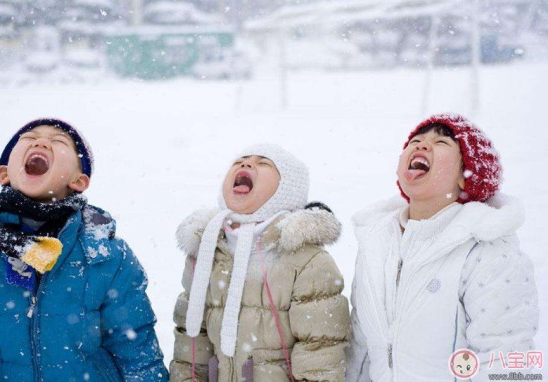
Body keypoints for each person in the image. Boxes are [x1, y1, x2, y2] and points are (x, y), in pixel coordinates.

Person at [0, 118, 169, 381]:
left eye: (58, 141)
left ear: (79, 180)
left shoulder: (107, 257)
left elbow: (137, 351)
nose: (41, 141)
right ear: (4, 174)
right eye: (29, 138)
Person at [346, 113, 539, 381]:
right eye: (416, 140)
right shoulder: (375, 244)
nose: (421, 145)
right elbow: (360, 348)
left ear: (466, 176)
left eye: (441, 143)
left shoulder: (488, 251)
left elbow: (503, 360)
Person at [170, 144, 350, 381]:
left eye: (263, 163)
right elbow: (191, 345)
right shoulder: (207, 251)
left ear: (287, 190)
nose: (246, 164)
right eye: (240, 160)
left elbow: (321, 354)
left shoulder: (308, 261)